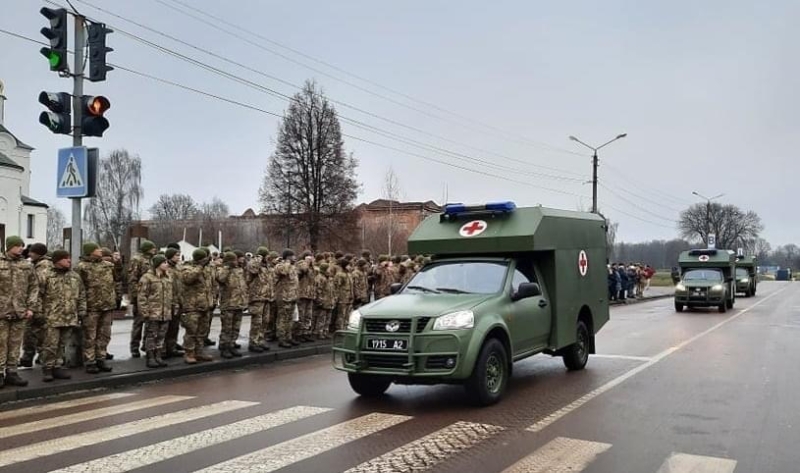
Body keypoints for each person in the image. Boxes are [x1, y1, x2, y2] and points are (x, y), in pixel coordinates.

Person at [40, 250, 86, 382]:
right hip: (51, 316)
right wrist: (39, 313)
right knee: (50, 344)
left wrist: (81, 310)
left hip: (69, 316)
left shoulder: (74, 276)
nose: (69, 261)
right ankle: (48, 368)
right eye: (66, 258)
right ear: (57, 260)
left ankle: (58, 366)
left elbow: (81, 294)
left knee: (61, 344)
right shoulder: (46, 275)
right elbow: (38, 295)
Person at [0, 236, 38, 387]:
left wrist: (31, 308)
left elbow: (33, 287)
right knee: (1, 343)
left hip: (20, 311)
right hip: (2, 311)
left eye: (22, 246)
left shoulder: (26, 265)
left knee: (15, 344)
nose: (21, 248)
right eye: (17, 246)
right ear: (9, 247)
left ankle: (12, 372)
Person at [77, 242, 118, 373]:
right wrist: (81, 307)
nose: (100, 251)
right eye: (97, 249)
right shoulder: (82, 267)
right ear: (90, 251)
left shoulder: (107, 265)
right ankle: (90, 361)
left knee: (104, 334)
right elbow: (78, 288)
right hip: (91, 306)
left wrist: (119, 263)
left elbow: (118, 277)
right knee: (90, 335)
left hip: (107, 305)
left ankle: (101, 358)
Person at [138, 254, 175, 368]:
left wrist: (173, 307)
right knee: (151, 335)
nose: (167, 264)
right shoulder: (147, 278)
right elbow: (142, 296)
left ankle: (158, 356)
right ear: (158, 265)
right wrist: (145, 312)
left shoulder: (167, 277)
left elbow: (170, 295)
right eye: (164, 263)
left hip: (165, 312)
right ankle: (150, 357)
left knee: (161, 336)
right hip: (153, 312)